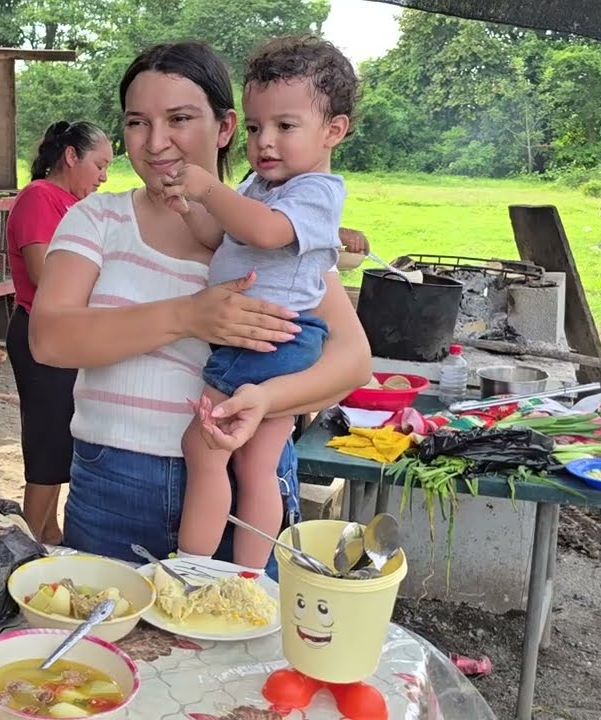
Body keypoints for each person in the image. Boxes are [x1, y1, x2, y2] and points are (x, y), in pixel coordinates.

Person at [28, 41, 371, 570]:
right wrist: (190, 316)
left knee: (240, 637)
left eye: (180, 118)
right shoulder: (97, 220)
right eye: (137, 122)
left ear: (227, 126)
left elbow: (351, 362)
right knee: (105, 643)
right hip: (115, 482)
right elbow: (49, 338)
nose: (156, 141)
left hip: (245, 481)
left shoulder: (272, 227)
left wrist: (267, 399)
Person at [164, 35, 359, 570]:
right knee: (256, 465)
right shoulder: (260, 185)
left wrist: (207, 188)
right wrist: (188, 208)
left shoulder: (314, 191)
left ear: (333, 131)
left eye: (285, 126)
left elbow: (268, 234)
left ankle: (192, 570)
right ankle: (250, 576)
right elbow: (221, 236)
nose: (264, 142)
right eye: (254, 128)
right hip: (281, 341)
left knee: (203, 450)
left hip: (263, 339)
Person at [5, 120, 112, 545]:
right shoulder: (39, 197)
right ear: (71, 156)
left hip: (66, 335)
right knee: (48, 441)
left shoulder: (74, 206)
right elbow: (40, 270)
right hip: (40, 333)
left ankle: (48, 534)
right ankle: (27, 544)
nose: (103, 177)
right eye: (99, 165)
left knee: (64, 437)